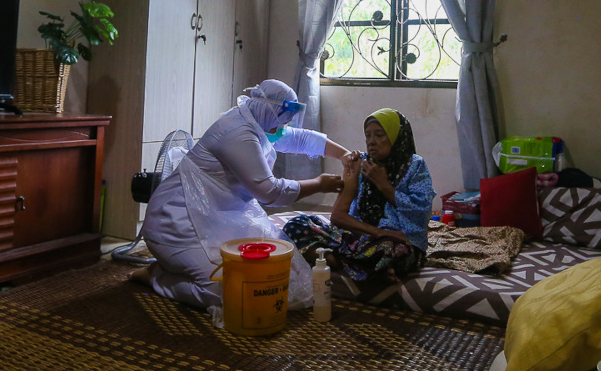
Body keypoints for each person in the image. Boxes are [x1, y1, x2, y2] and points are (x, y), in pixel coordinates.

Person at [132, 79, 349, 311]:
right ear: (268, 112)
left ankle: (177, 267)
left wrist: (344, 155)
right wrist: (319, 184)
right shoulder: (237, 133)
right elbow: (270, 192)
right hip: (175, 224)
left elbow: (300, 138)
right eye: (281, 121)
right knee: (225, 290)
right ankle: (156, 276)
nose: (283, 128)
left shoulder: (259, 122)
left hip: (213, 220)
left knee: (276, 274)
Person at [283, 108, 434, 283]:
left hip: (393, 241)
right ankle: (358, 268)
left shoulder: (415, 166)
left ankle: (351, 265)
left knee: (396, 249)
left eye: (379, 135)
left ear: (396, 137)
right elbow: (338, 217)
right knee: (295, 226)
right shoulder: (360, 163)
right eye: (368, 136)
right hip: (357, 237)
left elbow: (421, 214)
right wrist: (377, 232)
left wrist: (385, 186)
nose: (372, 142)